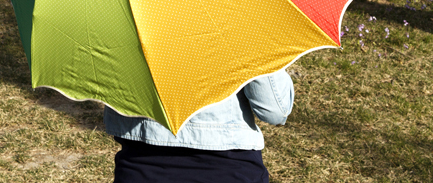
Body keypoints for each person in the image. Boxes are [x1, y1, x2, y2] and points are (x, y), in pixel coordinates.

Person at [104, 68, 294, 183]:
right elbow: (274, 109)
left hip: (140, 167)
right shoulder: (237, 11)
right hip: (226, 169)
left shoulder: (116, 8)